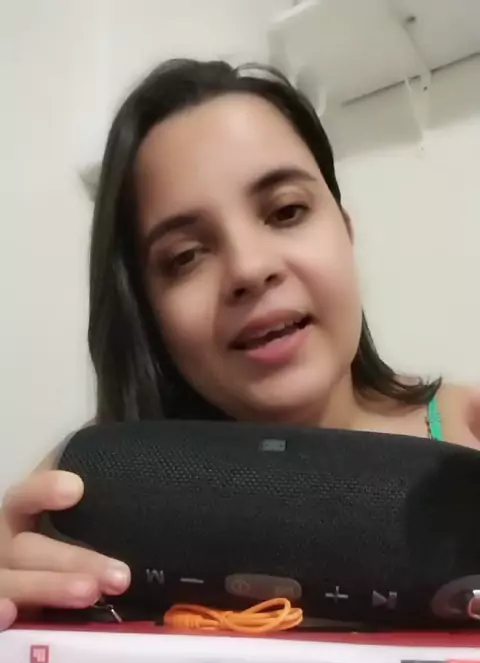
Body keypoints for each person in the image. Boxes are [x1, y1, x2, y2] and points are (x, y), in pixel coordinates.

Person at [1, 58, 480, 632]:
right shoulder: (82, 491)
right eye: (185, 256)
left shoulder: (468, 438)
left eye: (286, 211)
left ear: (346, 232)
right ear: (148, 312)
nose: (249, 269)